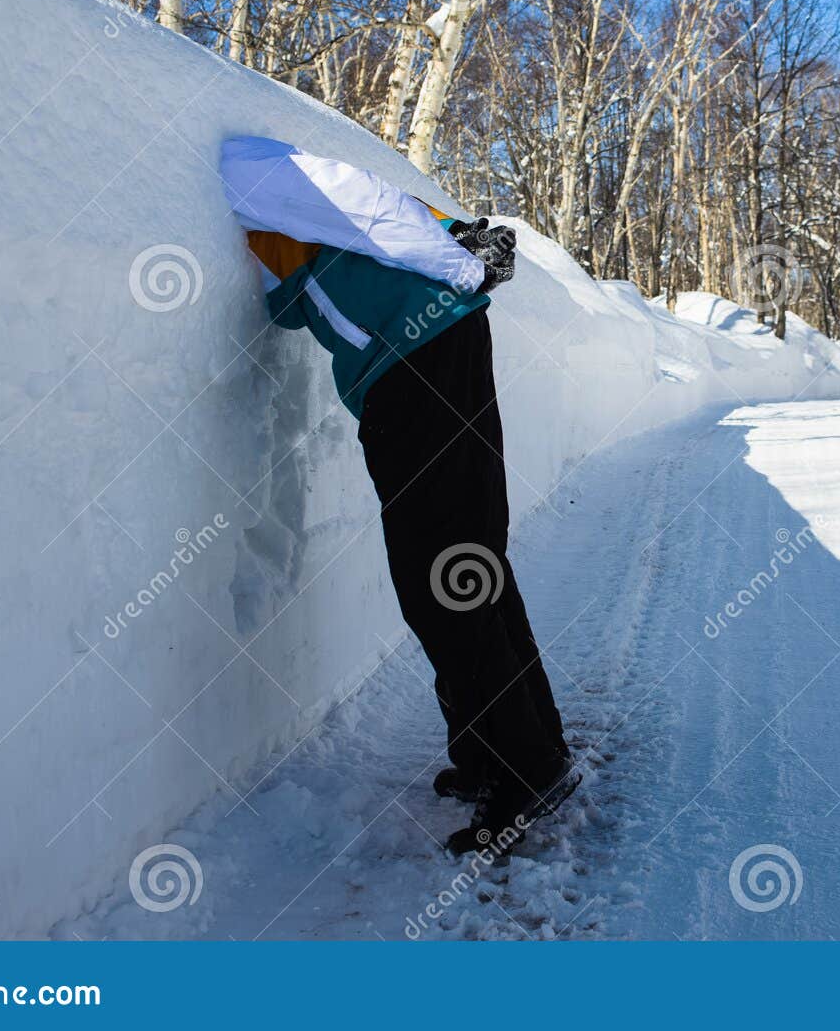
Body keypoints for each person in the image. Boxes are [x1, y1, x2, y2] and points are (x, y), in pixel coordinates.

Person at [221, 136, 577, 858]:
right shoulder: (267, 183)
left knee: (443, 579)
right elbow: (331, 257)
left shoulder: (247, 167)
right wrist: (458, 246)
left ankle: (523, 769)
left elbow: (369, 203)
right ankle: (510, 752)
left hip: (416, 367)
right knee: (468, 564)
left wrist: (461, 259)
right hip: (429, 354)